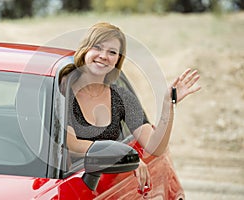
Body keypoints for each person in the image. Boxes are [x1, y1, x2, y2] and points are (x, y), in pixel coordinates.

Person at [58, 22, 201, 192]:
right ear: (85, 49)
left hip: (110, 186)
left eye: (112, 52)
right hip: (70, 185)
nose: (104, 56)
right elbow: (71, 143)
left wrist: (167, 105)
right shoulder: (62, 88)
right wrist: (123, 155)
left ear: (118, 60)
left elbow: (155, 147)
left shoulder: (121, 97)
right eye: (97, 47)